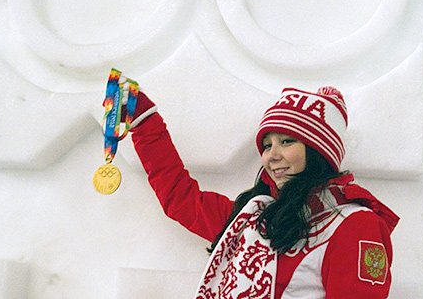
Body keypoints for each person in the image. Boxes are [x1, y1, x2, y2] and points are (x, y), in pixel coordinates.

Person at [127, 84, 399, 298]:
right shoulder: (253, 218)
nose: (272, 155)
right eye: (267, 145)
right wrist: (143, 120)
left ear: (319, 152)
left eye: (287, 141)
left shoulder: (354, 225)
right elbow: (181, 198)